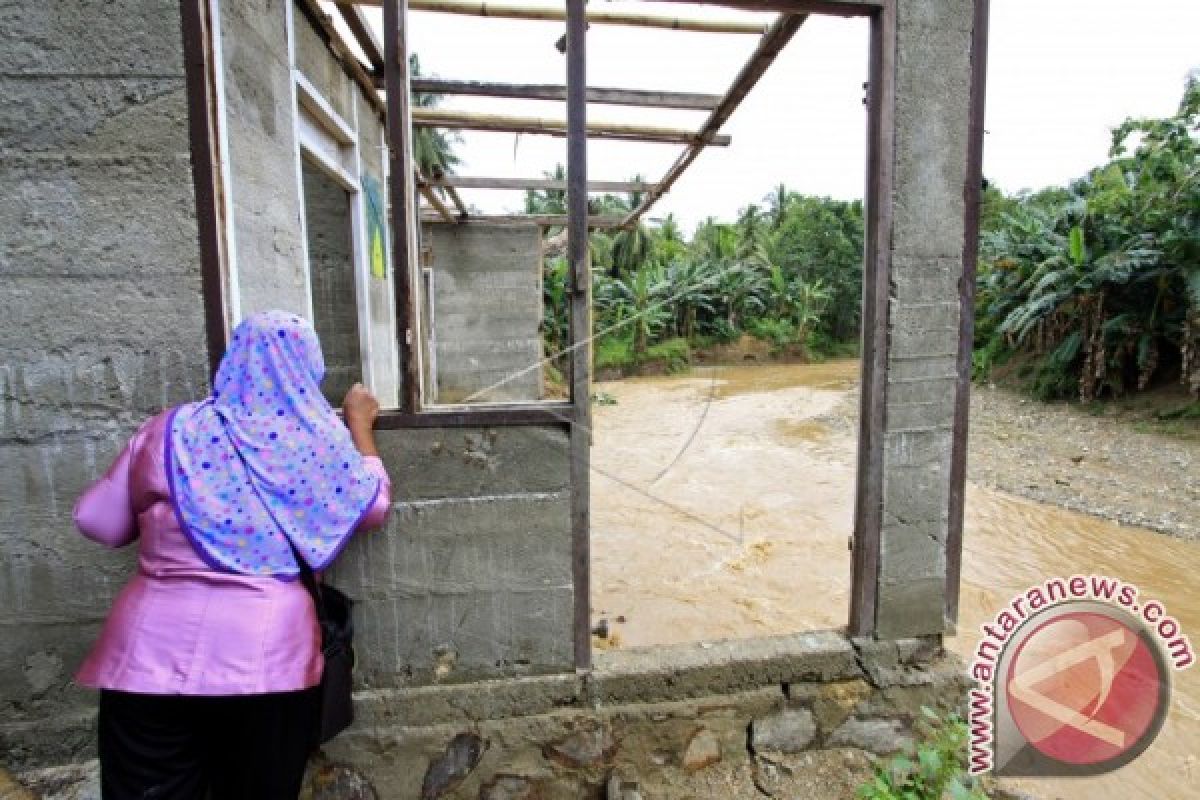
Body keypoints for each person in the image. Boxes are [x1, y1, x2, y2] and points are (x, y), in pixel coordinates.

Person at [72, 310, 391, 800]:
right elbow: (373, 506)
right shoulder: (319, 441)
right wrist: (360, 427)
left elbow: (98, 522)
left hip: (147, 656)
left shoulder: (169, 430)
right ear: (311, 369)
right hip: (267, 660)